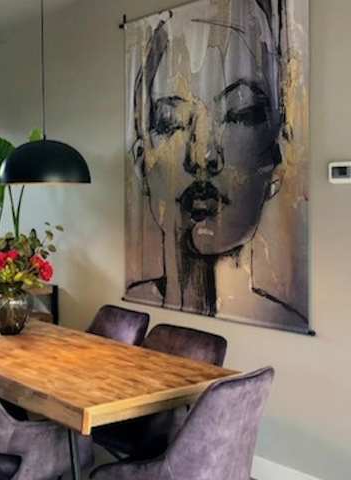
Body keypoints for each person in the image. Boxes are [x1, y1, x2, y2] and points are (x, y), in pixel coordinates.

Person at [125, 0, 308, 330]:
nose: (202, 155)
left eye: (240, 115)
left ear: (278, 155)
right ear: (141, 162)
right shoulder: (128, 309)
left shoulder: (286, 324)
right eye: (172, 122)